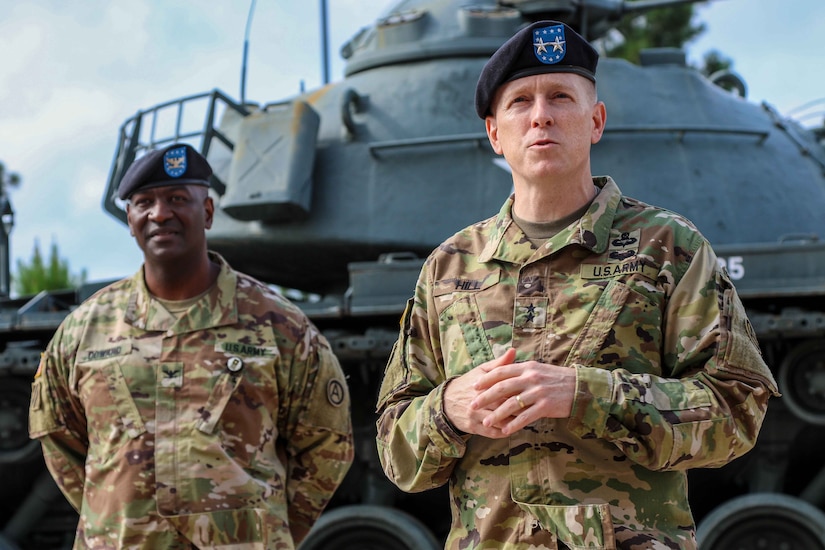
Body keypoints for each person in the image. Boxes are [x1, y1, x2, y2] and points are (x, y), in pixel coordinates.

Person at [375, 20, 779, 550]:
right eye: (520, 101)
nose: (541, 114)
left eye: (560, 95)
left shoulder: (668, 248)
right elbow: (394, 448)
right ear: (495, 134)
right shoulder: (449, 268)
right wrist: (449, 408)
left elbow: (736, 409)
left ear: (596, 120)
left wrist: (585, 393)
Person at [29, 143, 354, 549]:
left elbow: (327, 443)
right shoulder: (84, 330)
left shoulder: (279, 325)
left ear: (208, 212)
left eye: (178, 199)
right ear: (130, 220)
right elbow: (59, 436)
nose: (160, 213)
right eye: (143, 202)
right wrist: (112, 515)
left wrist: (267, 530)